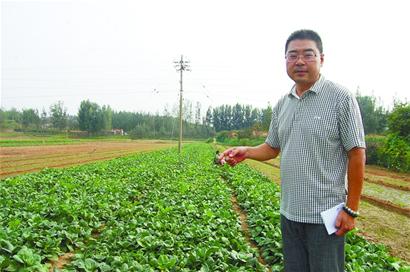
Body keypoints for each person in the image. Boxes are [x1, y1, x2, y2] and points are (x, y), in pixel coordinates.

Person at [218, 29, 366, 272]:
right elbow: (272, 147)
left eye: (308, 54)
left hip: (326, 217)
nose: (299, 61)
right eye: (292, 55)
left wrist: (351, 209)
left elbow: (356, 153)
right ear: (285, 60)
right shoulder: (282, 104)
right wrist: (246, 151)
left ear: (321, 59)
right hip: (290, 214)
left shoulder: (340, 98)